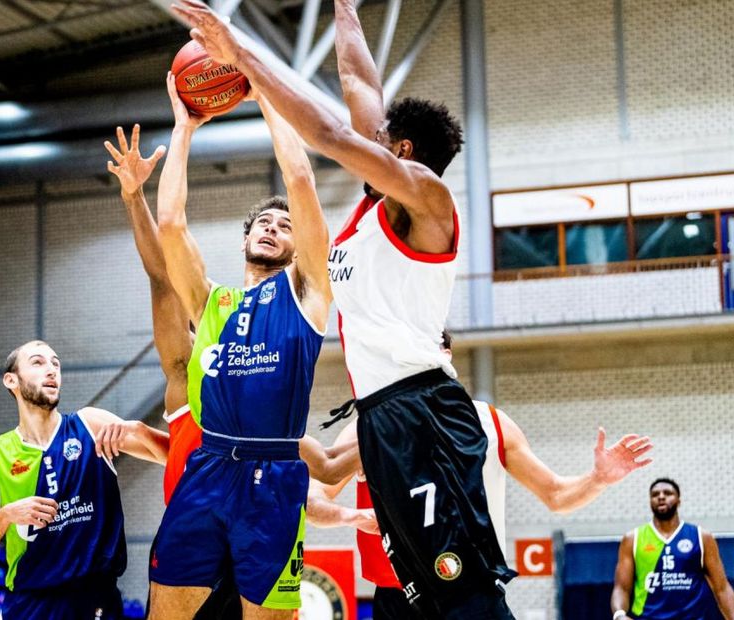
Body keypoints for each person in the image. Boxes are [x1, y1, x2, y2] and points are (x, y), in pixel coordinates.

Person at [168, 2, 502, 616]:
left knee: (461, 590)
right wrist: (345, 13)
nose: (364, 139)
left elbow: (328, 136)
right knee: (419, 592)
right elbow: (360, 86)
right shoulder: (377, 202)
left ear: (400, 150)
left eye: (378, 139)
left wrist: (240, 54)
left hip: (423, 411)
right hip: (382, 416)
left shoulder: (427, 200)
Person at [148, 73, 358, 618]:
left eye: (282, 225)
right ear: (244, 239)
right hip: (208, 467)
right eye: (262, 222)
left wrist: (264, 96)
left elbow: (301, 181)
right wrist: (184, 128)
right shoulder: (210, 302)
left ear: (296, 248)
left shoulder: (308, 294)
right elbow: (170, 223)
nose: (271, 227)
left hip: (274, 475)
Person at [309, 334, 655, 619]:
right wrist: (351, 516)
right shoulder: (367, 430)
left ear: (446, 357)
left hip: (475, 588)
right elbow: (311, 500)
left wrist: (597, 479)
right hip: (399, 596)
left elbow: (556, 495)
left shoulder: (491, 423)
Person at [105, 123, 241, 619]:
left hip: (253, 536)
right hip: (192, 541)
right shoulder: (186, 376)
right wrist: (134, 196)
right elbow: (162, 277)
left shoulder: (261, 385)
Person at [0, 340, 169, 620]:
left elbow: (173, 457)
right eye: (38, 362)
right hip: (28, 604)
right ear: (11, 380)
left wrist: (141, 431)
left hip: (95, 600)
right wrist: (6, 515)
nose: (51, 370)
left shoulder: (90, 425)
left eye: (55, 364)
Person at [611, 478, 734, 620]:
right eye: (655, 495)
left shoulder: (701, 537)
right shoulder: (633, 539)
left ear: (679, 500)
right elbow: (621, 588)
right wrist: (619, 615)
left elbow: (721, 588)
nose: (661, 497)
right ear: (650, 502)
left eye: (667, 493)